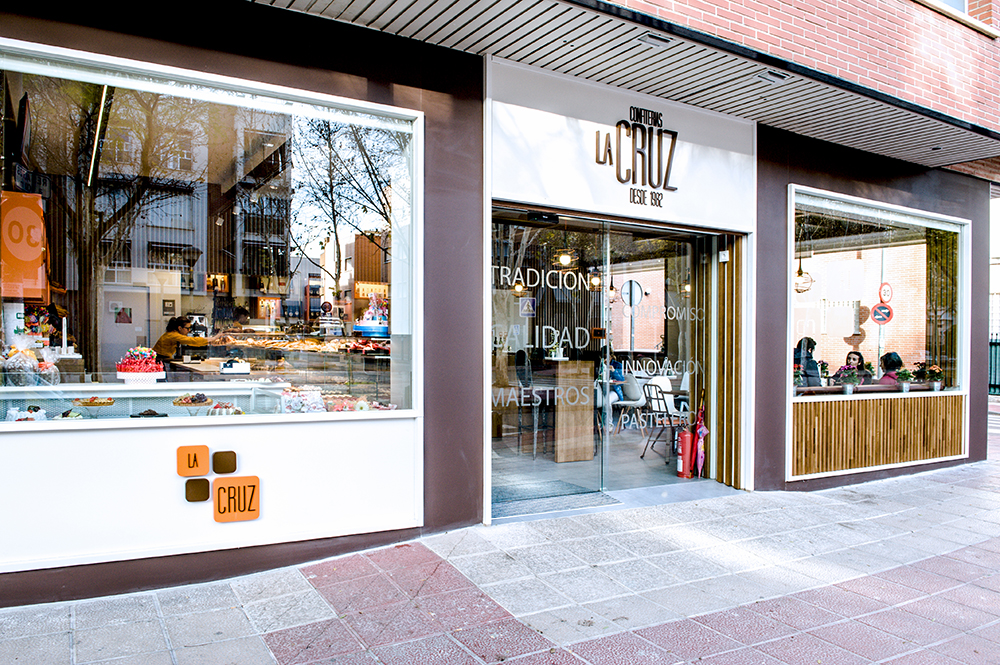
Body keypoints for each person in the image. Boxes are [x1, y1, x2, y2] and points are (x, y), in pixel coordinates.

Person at [153, 316, 225, 364]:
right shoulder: (173, 335)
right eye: (187, 328)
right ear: (179, 328)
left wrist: (210, 341)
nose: (189, 330)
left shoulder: (171, 334)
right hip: (160, 359)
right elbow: (192, 341)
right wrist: (213, 338)